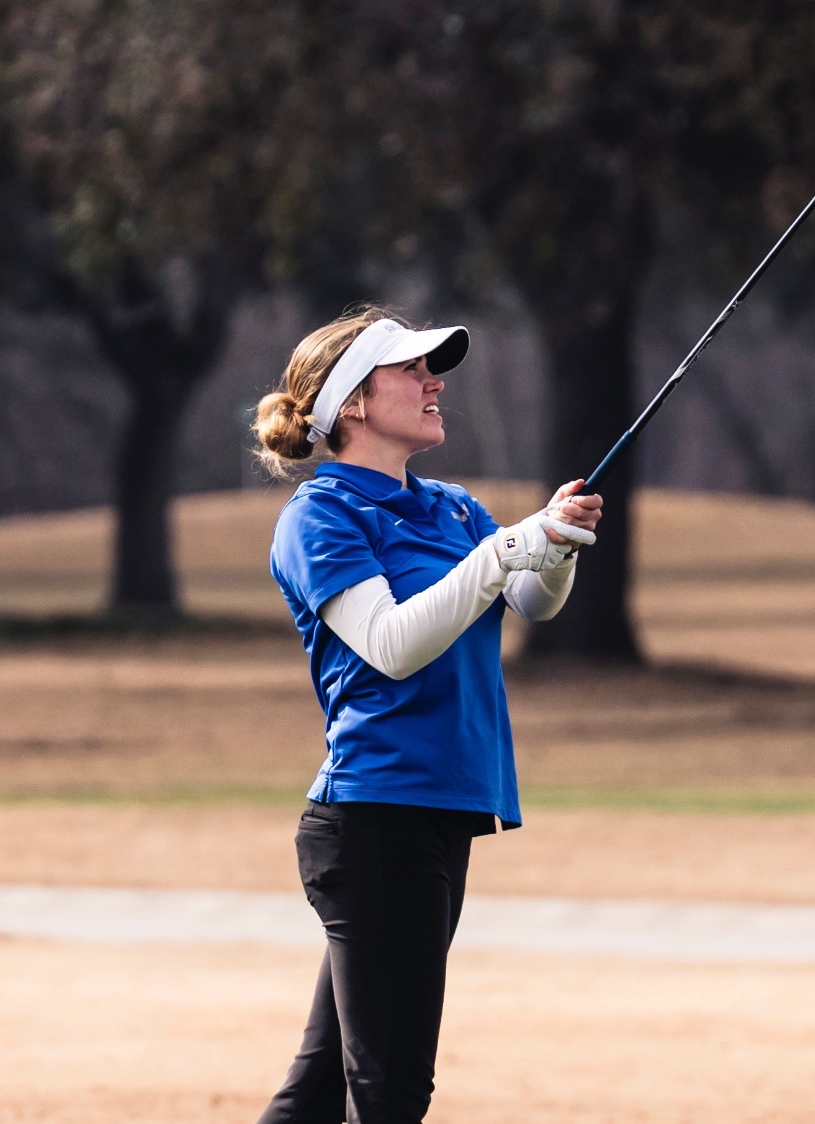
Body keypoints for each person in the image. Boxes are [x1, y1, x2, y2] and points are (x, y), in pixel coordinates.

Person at [252, 305, 601, 1124]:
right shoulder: (322, 516)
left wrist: (554, 547)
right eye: (409, 370)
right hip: (375, 820)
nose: (433, 381)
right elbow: (391, 643)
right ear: (354, 405)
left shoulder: (451, 507)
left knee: (321, 1091)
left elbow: (531, 600)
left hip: (436, 812)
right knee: (390, 1092)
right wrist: (507, 549)